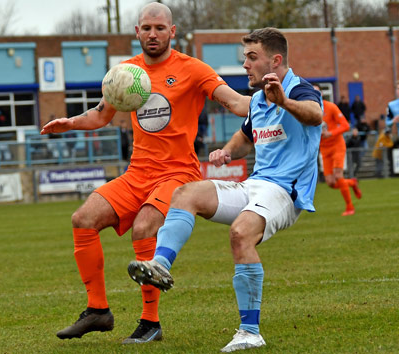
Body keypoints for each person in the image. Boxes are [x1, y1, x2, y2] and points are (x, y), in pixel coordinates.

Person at [40, 2, 250, 344]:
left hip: (177, 173)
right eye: (146, 28)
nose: (153, 34)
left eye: (159, 28)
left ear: (172, 32)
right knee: (83, 219)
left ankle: (150, 323)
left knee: (144, 227)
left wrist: (270, 102)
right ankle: (97, 311)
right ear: (137, 31)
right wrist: (70, 123)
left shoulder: (193, 69)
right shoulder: (125, 72)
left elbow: (233, 101)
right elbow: (101, 114)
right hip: (137, 172)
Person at [126, 27, 323, 352]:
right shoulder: (259, 99)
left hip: (286, 192)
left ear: (275, 60)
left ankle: (250, 332)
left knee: (240, 233)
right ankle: (160, 264)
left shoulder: (300, 90)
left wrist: (285, 102)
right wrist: (228, 151)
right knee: (186, 194)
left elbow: (316, 117)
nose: (245, 64)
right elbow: (246, 137)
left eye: (251, 57)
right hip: (256, 185)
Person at [315, 85, 362, 216]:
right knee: (330, 182)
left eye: (317, 92)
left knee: (338, 176)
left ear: (322, 94)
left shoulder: (331, 107)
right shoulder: (309, 110)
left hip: (337, 145)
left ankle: (350, 207)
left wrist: (331, 133)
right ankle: (352, 182)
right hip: (324, 149)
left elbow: (346, 125)